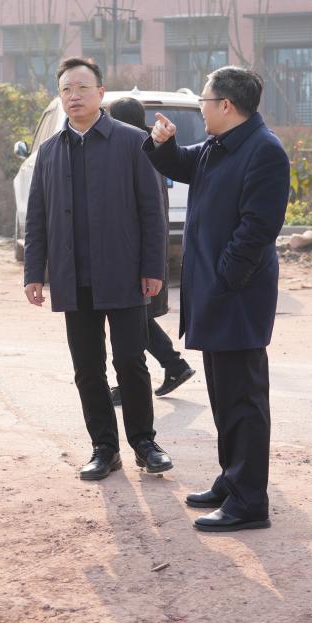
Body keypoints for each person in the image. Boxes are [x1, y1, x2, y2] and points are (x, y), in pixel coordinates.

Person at [145, 66, 289, 532]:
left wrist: (225, 276)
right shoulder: (218, 145)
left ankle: (249, 501)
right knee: (225, 397)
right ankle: (231, 481)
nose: (201, 109)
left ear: (226, 105)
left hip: (237, 296)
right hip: (215, 293)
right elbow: (178, 164)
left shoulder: (263, 150)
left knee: (244, 401)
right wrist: (164, 143)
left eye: (204, 101)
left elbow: (258, 228)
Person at [23, 58, 173, 482]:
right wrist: (34, 272)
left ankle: (145, 444)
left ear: (101, 93)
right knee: (88, 368)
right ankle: (104, 449)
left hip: (123, 273)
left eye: (82, 88)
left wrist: (153, 268)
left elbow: (152, 211)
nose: (74, 96)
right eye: (66, 89)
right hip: (73, 277)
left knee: (130, 361)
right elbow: (37, 217)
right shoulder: (50, 151)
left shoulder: (132, 141)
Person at [105, 96, 195, 405]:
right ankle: (173, 365)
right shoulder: (147, 146)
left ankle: (137, 381)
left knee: (129, 320)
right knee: (136, 318)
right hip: (140, 247)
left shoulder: (136, 150)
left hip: (133, 249)